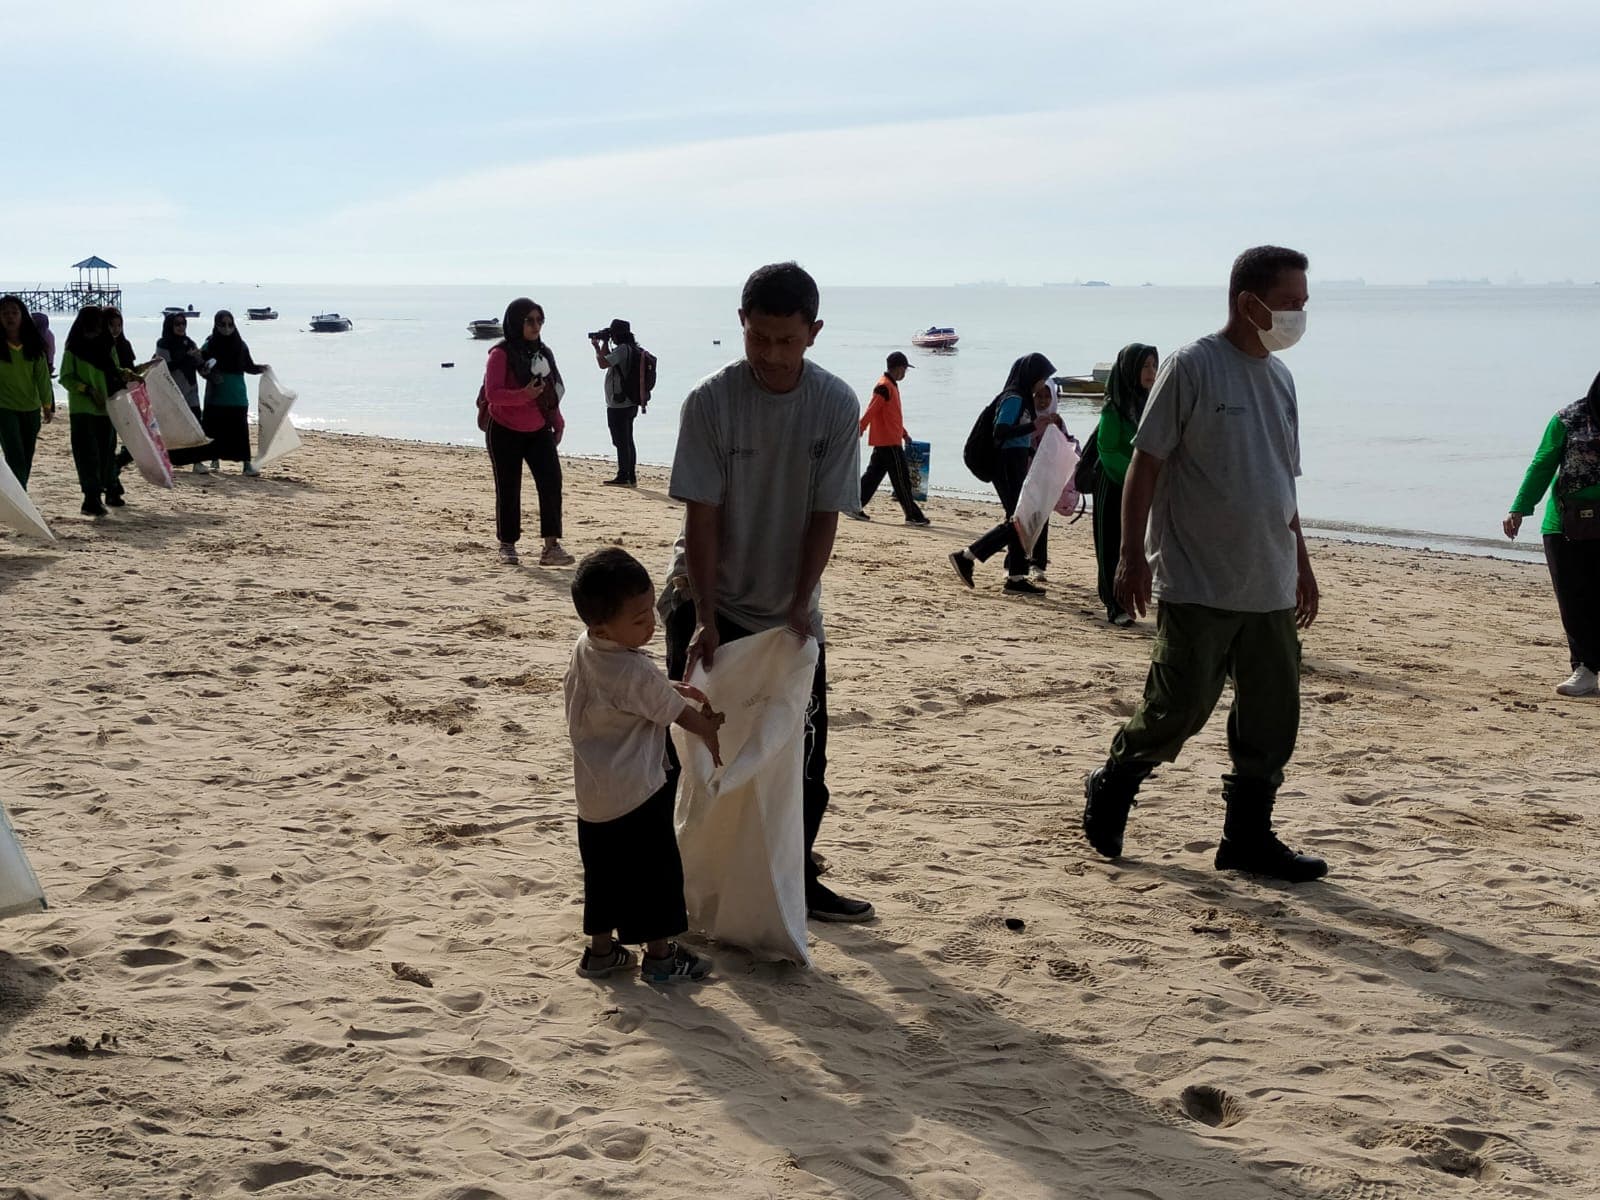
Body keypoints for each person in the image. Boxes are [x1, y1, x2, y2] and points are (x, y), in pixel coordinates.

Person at [1079, 246, 1326, 884]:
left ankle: (1246, 838)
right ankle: (1113, 783)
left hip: (1268, 580)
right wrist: (1131, 555)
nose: (1300, 313)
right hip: (1198, 579)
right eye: (1291, 301)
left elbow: (1283, 483)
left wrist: (1302, 562)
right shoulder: (1194, 367)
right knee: (1176, 710)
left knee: (1272, 719)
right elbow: (1145, 464)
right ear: (1250, 302)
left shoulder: (1280, 379)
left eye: (1303, 301)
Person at [662, 261, 872, 923]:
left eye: (787, 341)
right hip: (704, 595)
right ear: (742, 327)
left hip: (790, 601)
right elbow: (703, 516)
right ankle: (672, 886)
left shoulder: (836, 404)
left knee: (802, 753)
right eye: (760, 340)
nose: (774, 356)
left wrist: (799, 603)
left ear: (813, 332)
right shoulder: (710, 402)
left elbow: (824, 516)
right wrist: (703, 614)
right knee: (693, 748)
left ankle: (796, 881)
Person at [563, 547, 724, 982]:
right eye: (637, 621)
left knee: (604, 871)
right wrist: (708, 731)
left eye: (651, 610)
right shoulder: (634, 671)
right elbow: (677, 715)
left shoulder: (586, 648)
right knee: (655, 873)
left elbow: (634, 693)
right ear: (601, 624)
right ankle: (661, 957)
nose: (651, 624)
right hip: (640, 790)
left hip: (594, 792)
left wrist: (668, 685)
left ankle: (600, 953)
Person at [1503, 370, 1600, 697]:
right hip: (1564, 526)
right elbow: (1543, 464)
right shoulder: (1567, 420)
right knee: (1573, 599)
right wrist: (1519, 507)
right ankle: (1584, 670)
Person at [948, 353, 1061, 594]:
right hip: (1005, 463)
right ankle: (967, 555)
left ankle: (1016, 577)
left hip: (1017, 460)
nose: (1043, 383)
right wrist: (1034, 426)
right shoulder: (1014, 398)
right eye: (1042, 378)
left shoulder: (1023, 399)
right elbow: (1001, 431)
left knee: (1017, 518)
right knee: (1018, 520)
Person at [484, 297, 573, 567]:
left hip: (538, 429)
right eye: (530, 320)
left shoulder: (543, 353)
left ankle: (551, 546)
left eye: (540, 320)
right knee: (509, 487)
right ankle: (507, 545)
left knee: (551, 483)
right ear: (515, 322)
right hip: (504, 429)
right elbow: (493, 395)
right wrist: (523, 394)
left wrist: (558, 420)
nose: (536, 326)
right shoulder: (500, 354)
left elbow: (548, 395)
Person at [1092, 343, 1159, 626]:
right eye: (1144, 366)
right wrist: (1133, 475)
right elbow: (1106, 450)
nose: (1151, 372)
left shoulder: (1152, 403)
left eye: (1154, 366)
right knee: (1111, 544)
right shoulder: (1114, 408)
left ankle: (1130, 598)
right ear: (1130, 369)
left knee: (1136, 542)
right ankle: (1114, 604)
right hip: (1113, 483)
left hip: (1140, 485)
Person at [58, 306, 126, 515]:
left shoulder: (108, 346)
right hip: (82, 410)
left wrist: (131, 374)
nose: (94, 329)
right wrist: (87, 390)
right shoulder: (73, 348)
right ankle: (91, 497)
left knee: (106, 455)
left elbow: (114, 371)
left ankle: (106, 490)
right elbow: (65, 377)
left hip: (106, 410)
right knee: (87, 455)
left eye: (97, 324)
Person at [852, 350, 929, 526]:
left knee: (873, 476)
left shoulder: (891, 385)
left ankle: (854, 505)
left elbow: (892, 416)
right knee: (901, 479)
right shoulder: (884, 386)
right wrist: (861, 427)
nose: (905, 373)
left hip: (889, 439)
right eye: (904, 369)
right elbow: (872, 409)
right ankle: (912, 515)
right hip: (888, 442)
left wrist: (904, 434)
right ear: (898, 368)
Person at [199, 310, 269, 476]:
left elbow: (248, 366)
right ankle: (213, 459)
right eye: (222, 324)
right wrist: (208, 372)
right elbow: (201, 368)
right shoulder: (209, 345)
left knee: (240, 432)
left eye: (230, 324)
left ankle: (246, 465)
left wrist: (262, 369)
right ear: (216, 325)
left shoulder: (240, 345)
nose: (227, 328)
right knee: (212, 431)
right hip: (215, 396)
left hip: (237, 396)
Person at [0, 295, 55, 488]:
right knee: (14, 453)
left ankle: (18, 491)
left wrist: (47, 404)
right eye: (5, 313)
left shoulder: (34, 346)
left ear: (22, 316)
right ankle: (21, 493)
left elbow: (42, 379)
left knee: (26, 454)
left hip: (31, 408)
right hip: (5, 409)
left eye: (14, 313)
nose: (10, 317)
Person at [155, 312, 212, 475]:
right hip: (172, 391)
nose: (181, 327)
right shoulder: (163, 344)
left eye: (183, 324)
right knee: (171, 426)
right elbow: (166, 366)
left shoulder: (189, 342)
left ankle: (197, 461)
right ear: (170, 326)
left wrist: (205, 366)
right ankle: (166, 460)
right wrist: (188, 358)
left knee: (195, 423)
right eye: (177, 324)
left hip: (191, 390)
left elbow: (199, 365)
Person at [592, 318, 642, 487]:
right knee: (627, 439)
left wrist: (597, 347)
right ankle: (631, 476)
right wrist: (605, 342)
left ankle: (623, 476)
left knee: (620, 441)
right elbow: (608, 360)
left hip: (619, 403)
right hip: (630, 402)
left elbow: (602, 363)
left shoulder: (622, 350)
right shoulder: (631, 348)